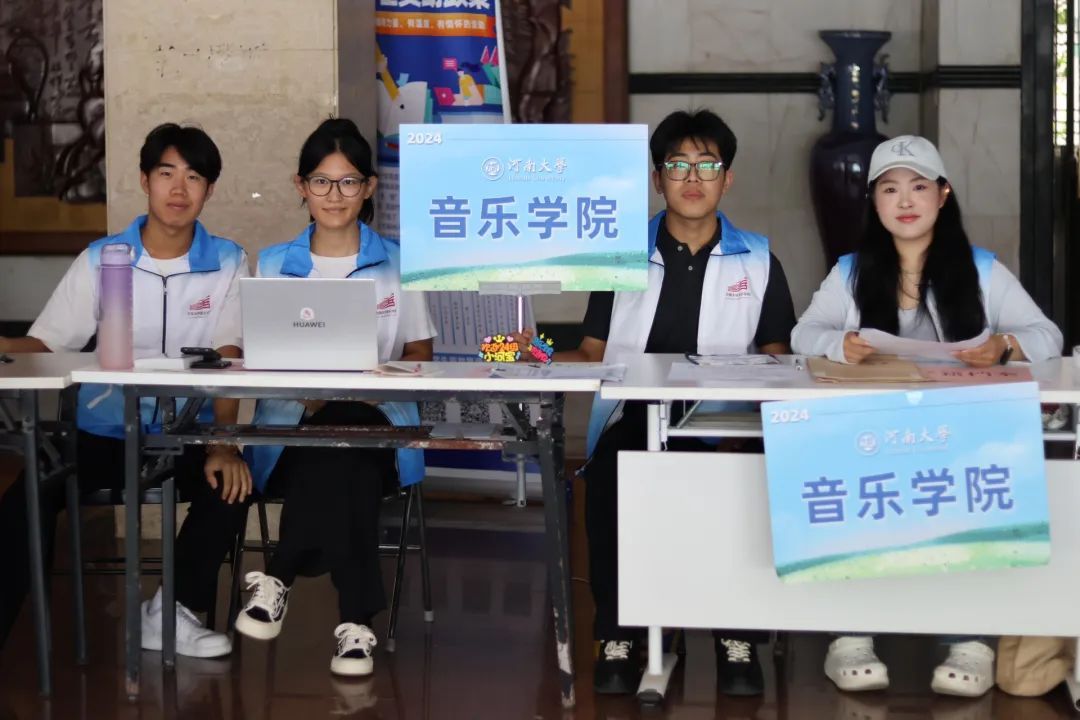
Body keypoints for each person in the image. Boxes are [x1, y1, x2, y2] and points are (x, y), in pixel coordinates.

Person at [518, 109, 796, 696]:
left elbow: (780, 358)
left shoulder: (758, 259)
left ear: (727, 179)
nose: (692, 178)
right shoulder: (618, 255)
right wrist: (528, 351)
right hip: (633, 416)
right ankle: (619, 632)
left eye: (707, 166)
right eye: (677, 165)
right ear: (656, 178)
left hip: (723, 421)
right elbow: (591, 352)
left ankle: (735, 635)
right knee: (610, 477)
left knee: (740, 485)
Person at [792, 135, 1063, 698]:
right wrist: (841, 344)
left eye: (918, 187)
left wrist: (1005, 345)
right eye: (890, 189)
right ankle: (851, 637)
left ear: (943, 194)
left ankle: (967, 642)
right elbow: (804, 334)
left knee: (966, 503)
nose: (905, 201)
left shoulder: (982, 270)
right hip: (872, 432)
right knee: (853, 495)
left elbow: (1048, 336)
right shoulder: (850, 272)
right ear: (874, 202)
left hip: (956, 433)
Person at [0, 123, 252, 657]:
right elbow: (47, 343)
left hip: (184, 434)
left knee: (231, 484)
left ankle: (172, 610)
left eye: (193, 177)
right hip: (102, 432)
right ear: (145, 180)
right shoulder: (102, 257)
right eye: (166, 173)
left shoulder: (229, 260)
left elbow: (229, 358)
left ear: (209, 189)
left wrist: (223, 443)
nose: (178, 189)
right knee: (31, 490)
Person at [232, 118, 436, 677]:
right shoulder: (274, 263)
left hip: (381, 426)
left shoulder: (399, 261)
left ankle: (280, 574)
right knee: (341, 455)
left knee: (348, 431)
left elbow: (421, 352)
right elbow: (255, 355)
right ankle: (356, 626)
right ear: (301, 186)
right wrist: (305, 393)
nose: (335, 195)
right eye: (321, 182)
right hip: (291, 431)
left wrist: (376, 381)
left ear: (369, 187)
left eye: (348, 182)